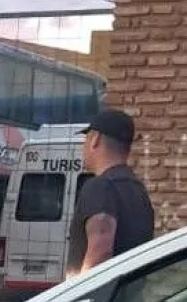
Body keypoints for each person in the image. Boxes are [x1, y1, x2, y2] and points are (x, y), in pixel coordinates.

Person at [65, 108, 154, 279]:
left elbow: (100, 251)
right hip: (130, 300)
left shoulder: (100, 186)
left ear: (95, 139)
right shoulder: (138, 190)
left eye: (86, 138)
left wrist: (80, 297)